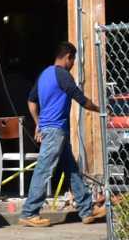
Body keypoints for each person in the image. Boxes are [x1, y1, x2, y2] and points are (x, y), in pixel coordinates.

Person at [22, 41, 102, 228]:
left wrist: (38, 123)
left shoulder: (44, 75)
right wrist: (101, 109)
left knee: (72, 170)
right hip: (56, 131)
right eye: (73, 60)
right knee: (43, 170)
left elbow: (31, 101)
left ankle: (87, 209)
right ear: (68, 57)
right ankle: (29, 212)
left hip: (54, 131)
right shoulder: (63, 75)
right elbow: (80, 99)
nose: (73, 64)